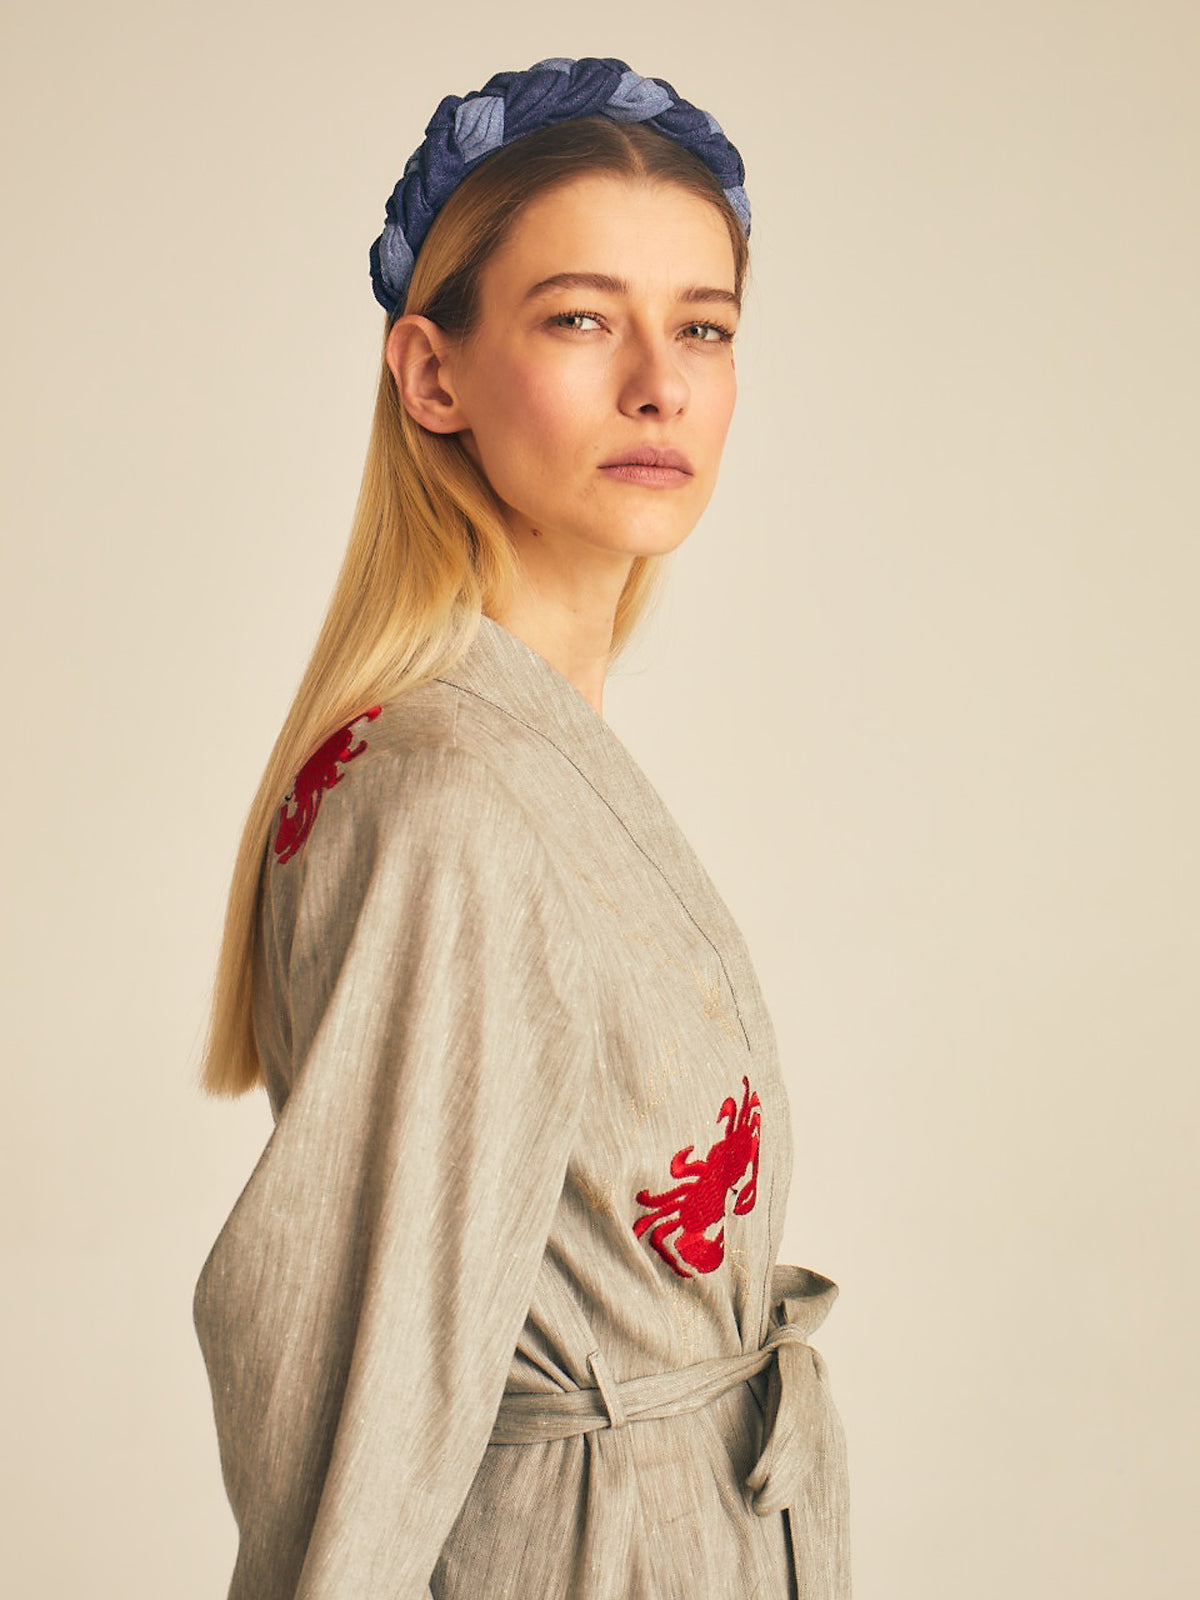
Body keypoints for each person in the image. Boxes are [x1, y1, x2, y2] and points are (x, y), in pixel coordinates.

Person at [193, 56, 850, 1600]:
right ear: (432, 376)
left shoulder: (534, 752)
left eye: (704, 327)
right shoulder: (450, 804)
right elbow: (363, 1412)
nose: (660, 383)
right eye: (580, 319)